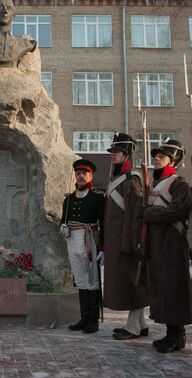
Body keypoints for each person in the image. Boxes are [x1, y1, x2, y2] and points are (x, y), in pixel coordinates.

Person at [141, 138, 192, 353]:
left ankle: (177, 334)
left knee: (174, 286)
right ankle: (170, 332)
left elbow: (178, 211)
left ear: (173, 161)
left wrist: (148, 213)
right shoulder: (155, 184)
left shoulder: (179, 184)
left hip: (172, 241)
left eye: (161, 156)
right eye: (156, 155)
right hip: (157, 241)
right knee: (162, 286)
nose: (156, 158)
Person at [103, 133, 150, 341]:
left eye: (117, 152)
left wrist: (132, 242)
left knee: (132, 283)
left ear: (127, 154)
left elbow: (134, 212)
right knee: (125, 282)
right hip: (116, 238)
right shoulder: (115, 177)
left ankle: (133, 326)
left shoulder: (132, 179)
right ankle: (140, 323)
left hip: (126, 239)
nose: (113, 155)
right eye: (112, 151)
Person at [60, 159, 105, 334]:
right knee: (79, 280)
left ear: (90, 176)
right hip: (72, 240)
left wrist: (103, 248)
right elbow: (64, 219)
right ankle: (83, 318)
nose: (80, 177)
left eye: (83, 174)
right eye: (78, 174)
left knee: (91, 280)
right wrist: (63, 227)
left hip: (89, 241)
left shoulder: (97, 197)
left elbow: (103, 223)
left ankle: (93, 321)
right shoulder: (69, 199)